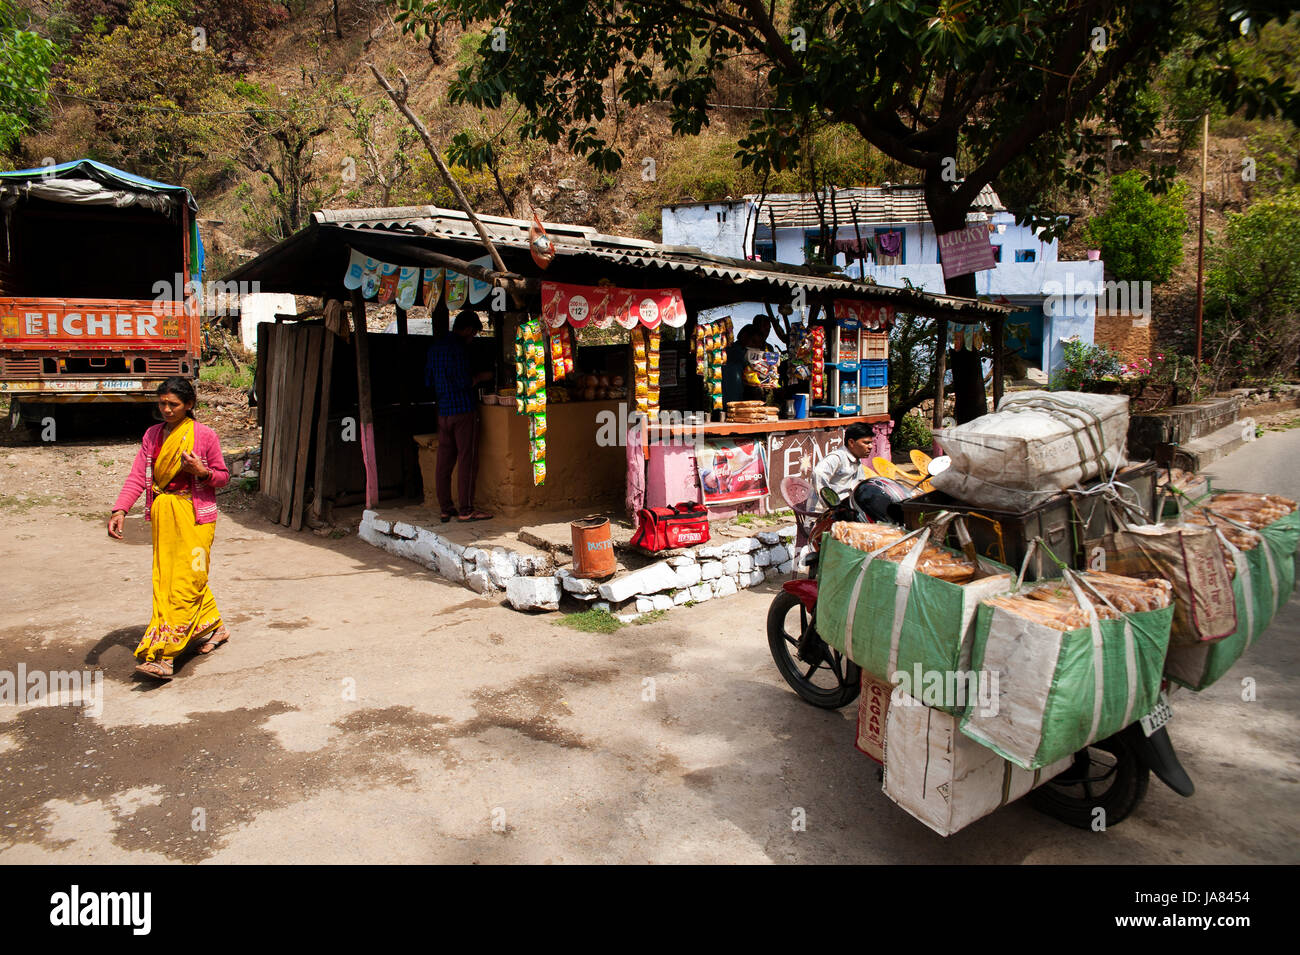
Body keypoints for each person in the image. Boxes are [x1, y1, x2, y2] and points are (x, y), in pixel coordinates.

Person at [108, 377, 230, 681]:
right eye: (162, 403)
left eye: (173, 404)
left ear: (188, 405)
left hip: (197, 517)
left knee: (189, 579)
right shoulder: (152, 435)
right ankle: (215, 627)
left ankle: (165, 655)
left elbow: (223, 477)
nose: (166, 409)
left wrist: (201, 471)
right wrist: (121, 509)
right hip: (165, 516)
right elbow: (138, 475)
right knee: (169, 580)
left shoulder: (204, 436)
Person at [425, 309, 494, 522]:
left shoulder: (435, 347)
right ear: (468, 330)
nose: (473, 338)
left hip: (443, 412)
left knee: (444, 462)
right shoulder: (459, 349)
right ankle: (466, 509)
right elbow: (464, 381)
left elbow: (428, 381)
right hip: (463, 411)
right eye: (473, 334)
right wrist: (482, 376)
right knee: (467, 460)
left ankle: (446, 507)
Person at [812, 422, 873, 504]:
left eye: (870, 443)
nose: (870, 446)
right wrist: (829, 502)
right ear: (851, 442)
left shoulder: (856, 460)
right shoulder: (837, 458)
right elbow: (818, 473)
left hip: (845, 507)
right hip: (825, 511)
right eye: (866, 443)